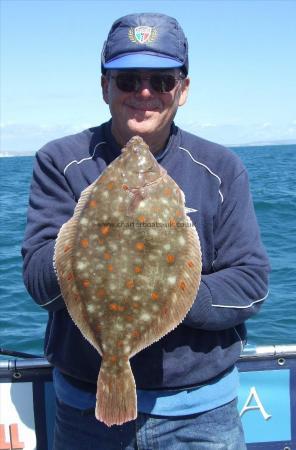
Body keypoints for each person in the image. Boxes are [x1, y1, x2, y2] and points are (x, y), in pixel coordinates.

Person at [22, 12, 270, 450]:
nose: (144, 92)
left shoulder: (222, 168)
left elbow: (251, 284)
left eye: (162, 80)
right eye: (127, 79)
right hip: (85, 410)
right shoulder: (60, 161)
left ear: (183, 89)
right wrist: (93, 235)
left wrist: (167, 283)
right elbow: (40, 285)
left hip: (200, 416)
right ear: (104, 86)